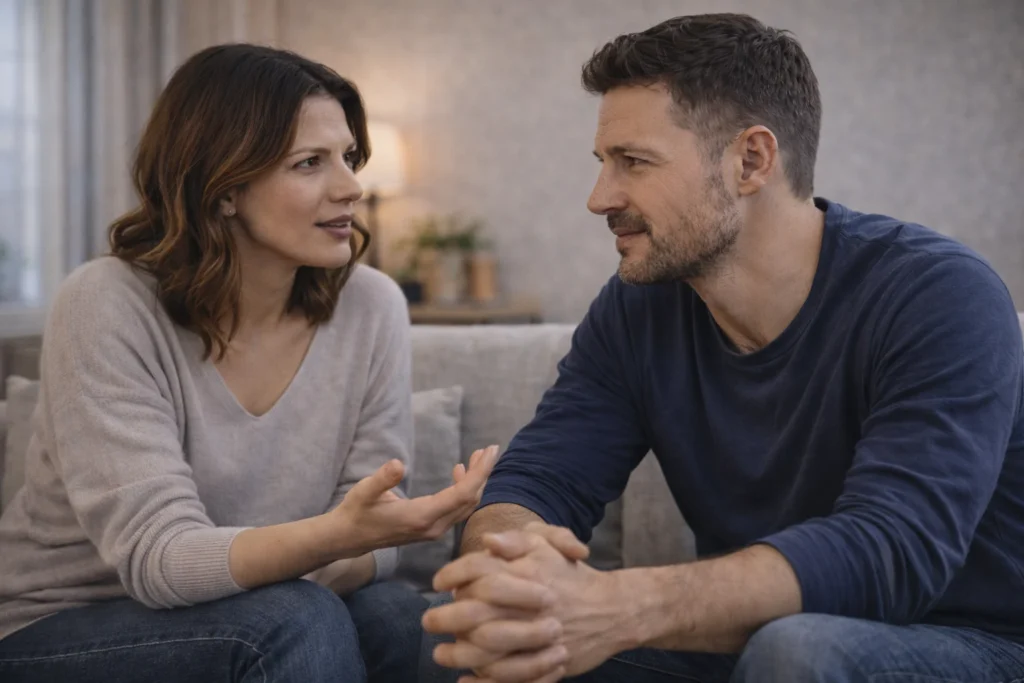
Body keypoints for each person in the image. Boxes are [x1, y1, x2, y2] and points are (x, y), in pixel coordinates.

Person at [420, 12, 1024, 683]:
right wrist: (515, 569)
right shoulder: (639, 307)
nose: (599, 198)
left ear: (751, 160)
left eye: (633, 162)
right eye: (603, 163)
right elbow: (540, 480)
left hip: (962, 640)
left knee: (798, 652)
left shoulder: (937, 295)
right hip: (748, 641)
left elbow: (893, 552)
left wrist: (620, 605)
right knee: (449, 633)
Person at [0, 43, 498, 683]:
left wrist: (373, 533)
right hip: (61, 623)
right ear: (224, 187)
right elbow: (160, 559)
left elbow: (368, 527)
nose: (350, 187)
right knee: (294, 620)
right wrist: (341, 536)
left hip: (264, 601)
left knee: (400, 620)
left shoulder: (371, 304)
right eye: (309, 163)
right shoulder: (105, 303)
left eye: (348, 157)